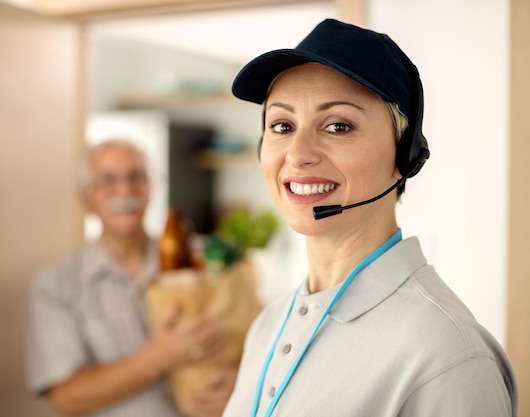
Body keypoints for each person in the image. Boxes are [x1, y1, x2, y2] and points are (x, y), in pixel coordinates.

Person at [222, 18, 518, 417]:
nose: (297, 153)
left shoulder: (446, 357)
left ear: (404, 157)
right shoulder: (268, 326)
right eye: (282, 125)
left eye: (338, 125)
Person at [28, 139, 237, 417]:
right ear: (86, 198)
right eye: (107, 180)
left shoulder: (201, 260)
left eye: (136, 177)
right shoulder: (57, 285)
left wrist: (239, 383)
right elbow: (67, 398)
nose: (125, 190)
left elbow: (255, 337)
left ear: (152, 188)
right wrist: (160, 356)